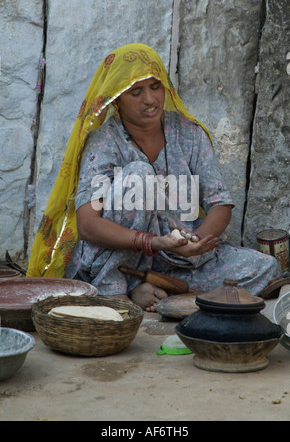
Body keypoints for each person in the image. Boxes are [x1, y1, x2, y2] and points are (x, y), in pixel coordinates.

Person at [27, 43, 282, 311]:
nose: (150, 100)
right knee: (140, 175)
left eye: (156, 87)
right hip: (120, 258)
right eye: (136, 92)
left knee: (266, 268)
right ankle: (119, 287)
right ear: (116, 99)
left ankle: (155, 287)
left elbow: (220, 203)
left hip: (177, 259)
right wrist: (152, 242)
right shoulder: (105, 142)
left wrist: (193, 242)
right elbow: (88, 225)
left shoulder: (189, 134)